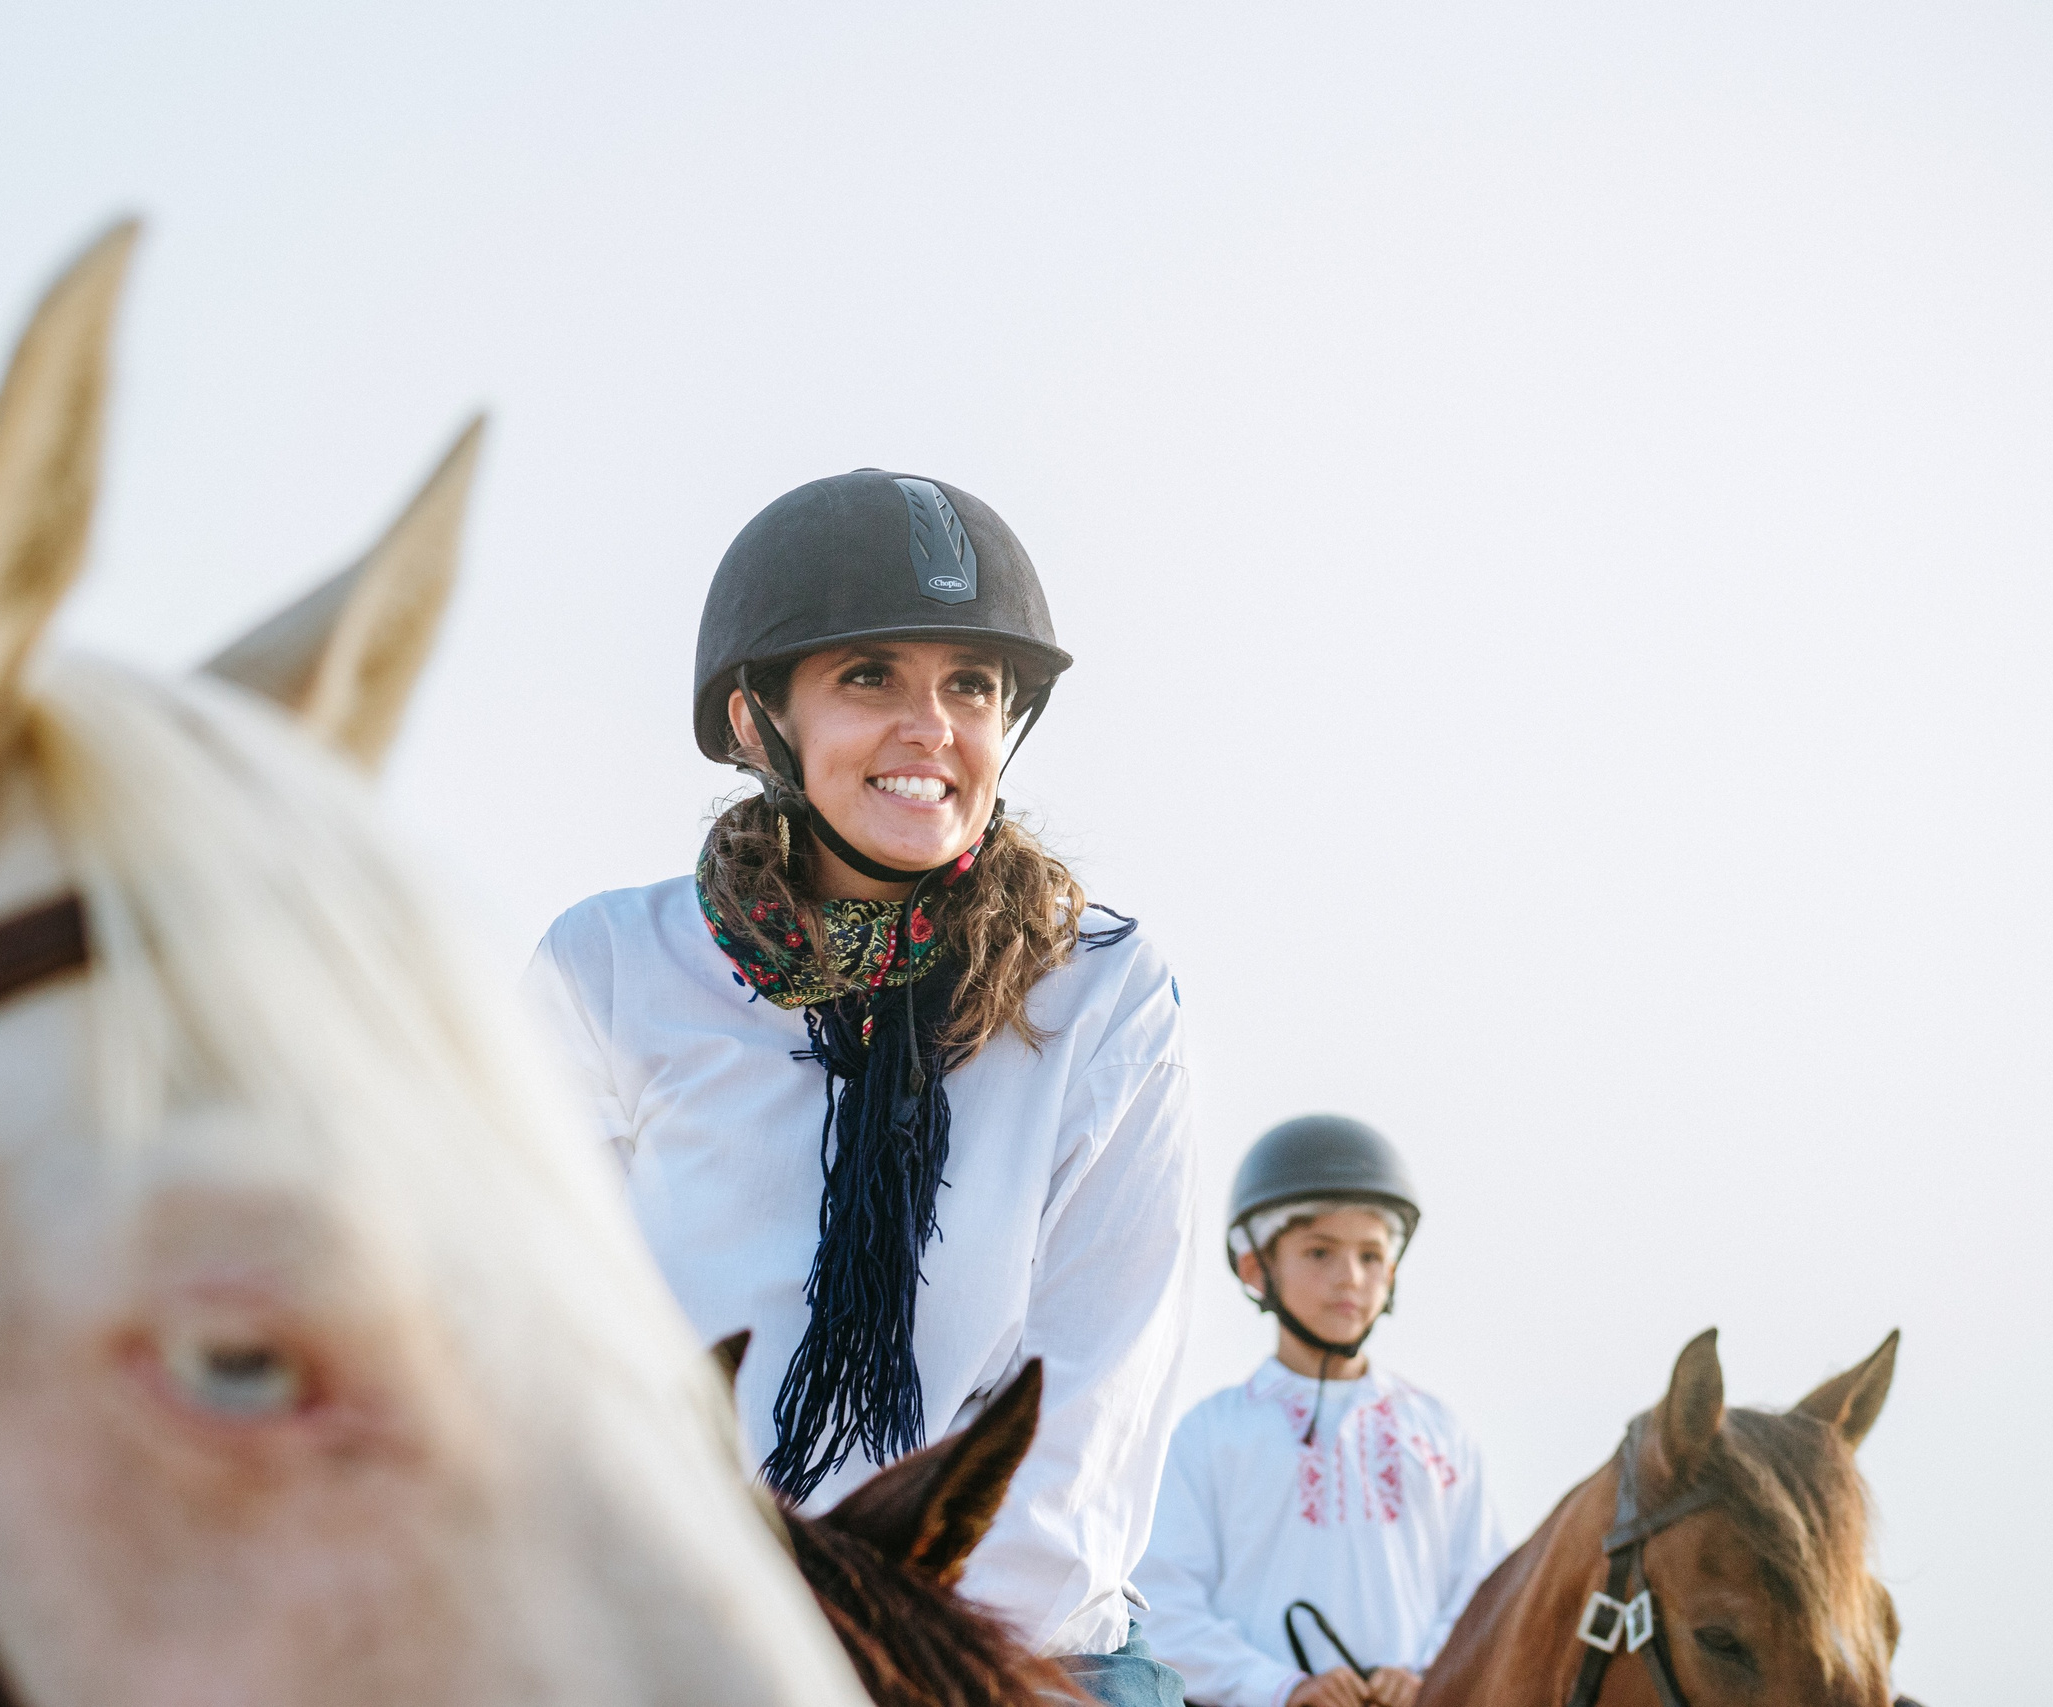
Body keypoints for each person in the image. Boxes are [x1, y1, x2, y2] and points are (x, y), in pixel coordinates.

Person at [526, 470, 1198, 1705]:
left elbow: (1093, 1388)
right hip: (691, 1632)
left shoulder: (1101, 988)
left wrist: (877, 1654)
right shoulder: (607, 967)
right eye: (868, 676)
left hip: (1003, 1647)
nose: (930, 726)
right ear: (753, 721)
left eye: (971, 686)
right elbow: (544, 1336)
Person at [1136, 1116, 1504, 1707]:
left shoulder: (1439, 1430)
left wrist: (1427, 1674)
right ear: (1257, 1267)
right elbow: (1165, 1606)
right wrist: (1282, 1688)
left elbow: (1487, 1593)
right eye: (1319, 1251)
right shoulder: (1209, 1434)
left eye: (1370, 1255)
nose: (1350, 1278)